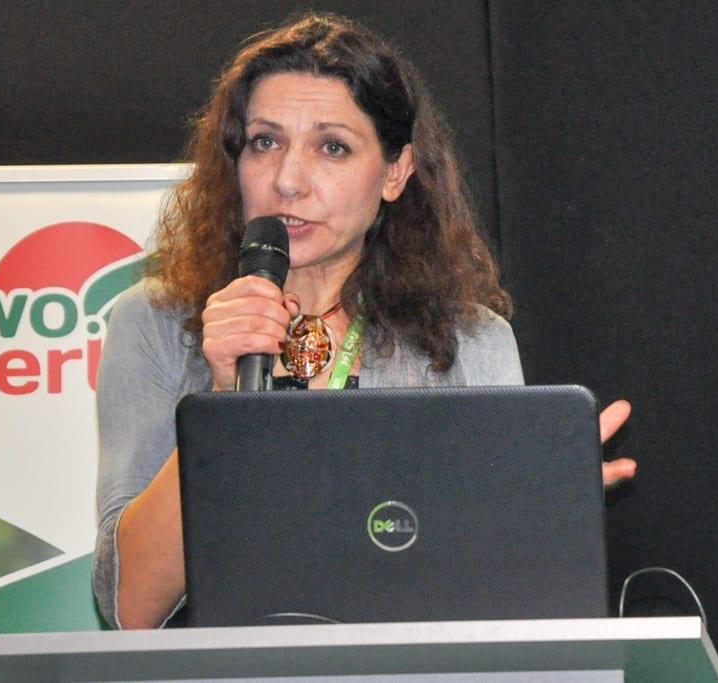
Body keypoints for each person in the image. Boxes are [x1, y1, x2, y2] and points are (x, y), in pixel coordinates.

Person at [93, 12, 636, 630]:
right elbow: (128, 606)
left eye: (333, 147)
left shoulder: (470, 341)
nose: (288, 180)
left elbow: (498, 604)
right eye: (265, 142)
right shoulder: (157, 323)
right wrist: (219, 403)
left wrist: (536, 511)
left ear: (396, 172)